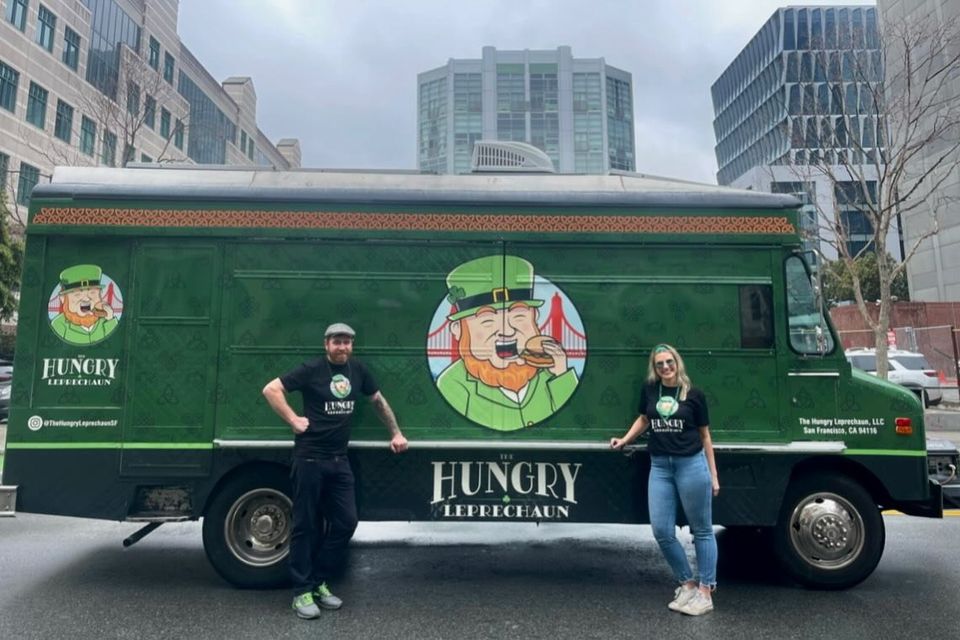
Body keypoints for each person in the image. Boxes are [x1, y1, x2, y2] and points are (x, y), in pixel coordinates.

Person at [262, 322, 408, 620]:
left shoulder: (358, 371)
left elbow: (377, 400)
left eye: (347, 342)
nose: (342, 347)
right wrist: (293, 419)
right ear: (326, 344)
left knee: (346, 521)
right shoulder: (311, 369)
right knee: (306, 525)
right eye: (337, 342)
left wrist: (396, 432)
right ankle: (301, 591)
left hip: (339, 461)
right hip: (309, 460)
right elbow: (271, 389)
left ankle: (318, 582)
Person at [610, 343, 719, 616]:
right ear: (655, 368)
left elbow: (705, 436)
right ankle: (688, 584)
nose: (665, 367)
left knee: (702, 529)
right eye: (660, 364)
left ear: (677, 362)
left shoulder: (694, 395)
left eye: (669, 362)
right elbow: (644, 419)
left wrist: (713, 475)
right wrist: (624, 439)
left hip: (691, 465)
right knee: (661, 530)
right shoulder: (650, 390)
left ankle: (706, 591)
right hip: (659, 466)